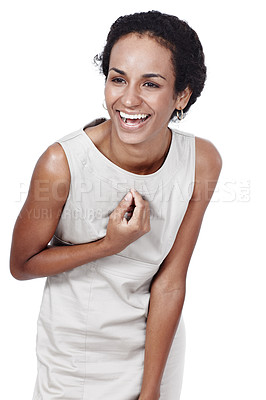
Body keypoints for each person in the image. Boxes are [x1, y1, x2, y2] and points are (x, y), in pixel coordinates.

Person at [10, 10, 222, 400]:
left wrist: (152, 389)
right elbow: (21, 266)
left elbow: (171, 281)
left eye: (151, 84)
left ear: (182, 95)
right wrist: (109, 245)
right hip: (77, 354)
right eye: (118, 78)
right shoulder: (61, 164)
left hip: (156, 350)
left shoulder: (202, 161)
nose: (128, 99)